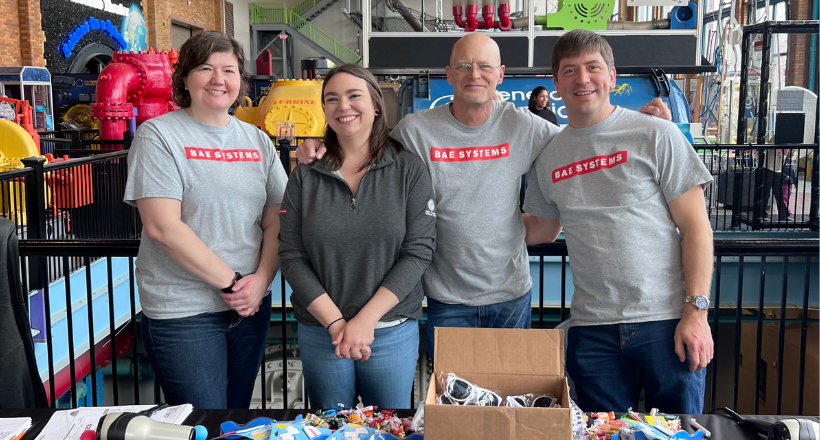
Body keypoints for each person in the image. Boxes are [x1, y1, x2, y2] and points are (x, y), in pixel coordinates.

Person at [296, 33, 671, 361]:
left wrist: (632, 124)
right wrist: (320, 148)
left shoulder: (526, 126)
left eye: (485, 67)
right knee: (454, 403)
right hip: (446, 297)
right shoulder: (416, 131)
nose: (475, 75)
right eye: (464, 66)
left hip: (511, 295)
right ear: (449, 75)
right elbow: (366, 147)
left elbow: (583, 140)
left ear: (500, 75)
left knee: (508, 397)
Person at [523, 29, 714, 414]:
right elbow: (542, 228)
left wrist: (696, 313)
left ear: (612, 77)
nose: (583, 79)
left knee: (677, 434)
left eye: (593, 68)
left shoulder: (656, 134)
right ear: (556, 83)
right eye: (570, 71)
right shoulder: (549, 157)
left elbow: (696, 226)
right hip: (592, 331)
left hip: (666, 321)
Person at [123, 31, 288, 409]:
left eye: (229, 70)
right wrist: (234, 285)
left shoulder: (257, 141)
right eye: (205, 68)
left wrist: (261, 281)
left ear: (240, 81)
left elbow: (277, 218)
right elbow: (163, 226)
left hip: (251, 307)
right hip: (184, 312)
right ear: (184, 79)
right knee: (202, 423)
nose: (218, 79)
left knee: (235, 417)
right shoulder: (159, 136)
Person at [278, 64, 436, 409]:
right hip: (322, 332)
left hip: (390, 330)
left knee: (389, 426)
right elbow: (291, 254)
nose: (343, 106)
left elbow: (418, 251)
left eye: (354, 95)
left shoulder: (407, 169)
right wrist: (337, 324)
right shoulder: (306, 174)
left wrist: (365, 321)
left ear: (376, 105)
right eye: (331, 99)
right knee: (331, 429)